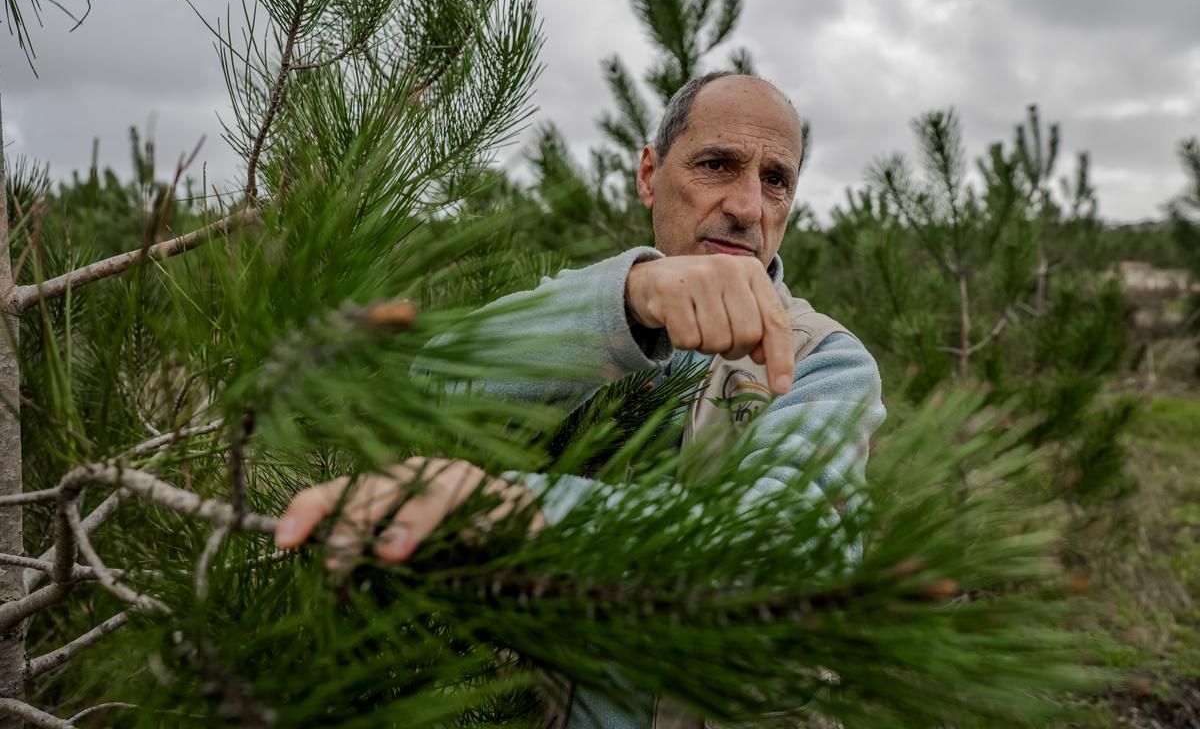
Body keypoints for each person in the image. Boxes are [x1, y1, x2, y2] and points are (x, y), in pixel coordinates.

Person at [274, 72, 887, 729]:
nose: (747, 206)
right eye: (716, 164)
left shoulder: (824, 359)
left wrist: (514, 511)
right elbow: (425, 387)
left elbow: (781, 555)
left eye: (775, 180)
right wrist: (632, 299)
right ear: (649, 174)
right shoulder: (587, 307)